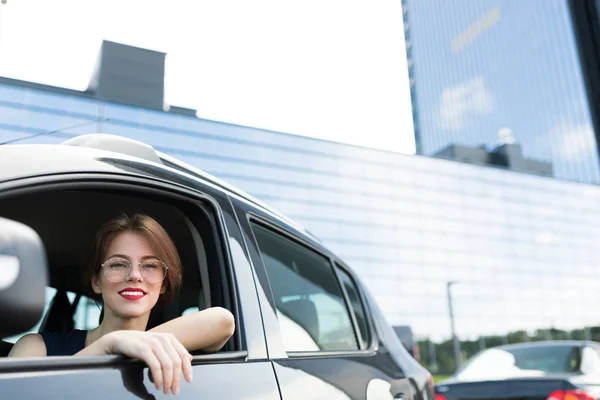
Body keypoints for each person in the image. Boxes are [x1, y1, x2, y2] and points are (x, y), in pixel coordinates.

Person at [8, 213, 235, 395]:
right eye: (118, 264)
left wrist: (128, 342)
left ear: (163, 284)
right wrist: (109, 345)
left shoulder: (170, 345)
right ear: (97, 281)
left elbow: (223, 320)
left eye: (150, 266)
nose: (134, 275)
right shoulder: (37, 348)